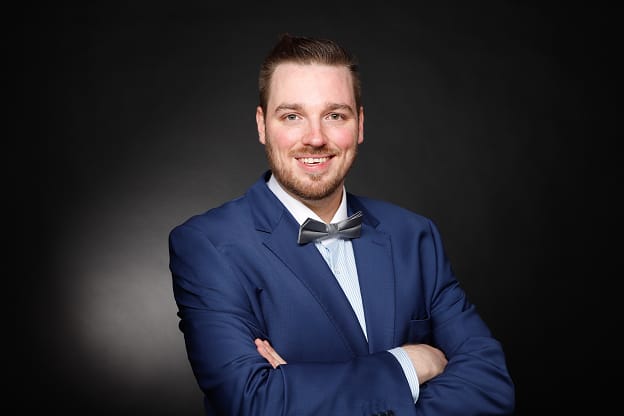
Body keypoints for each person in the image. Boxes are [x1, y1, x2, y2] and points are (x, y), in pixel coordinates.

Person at [168, 33, 515, 415]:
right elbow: (254, 403)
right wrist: (408, 365)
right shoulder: (207, 246)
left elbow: (490, 387)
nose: (315, 138)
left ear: (360, 124)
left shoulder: (415, 236)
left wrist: (300, 392)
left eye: (335, 115)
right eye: (292, 116)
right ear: (262, 125)